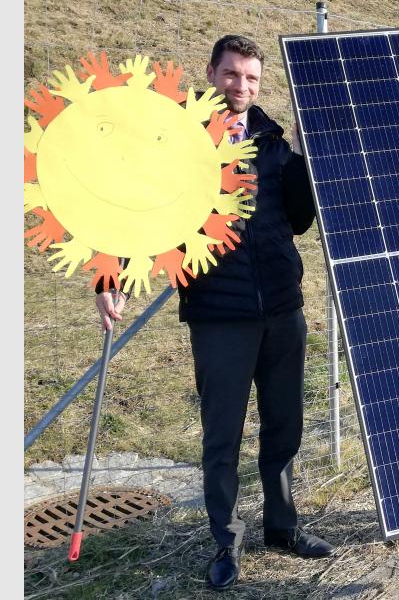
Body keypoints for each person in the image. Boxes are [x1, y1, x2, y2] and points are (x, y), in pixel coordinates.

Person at [95, 35, 334, 591]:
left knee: (285, 427)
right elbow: (141, 213)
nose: (241, 87)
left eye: (251, 78)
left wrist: (305, 163)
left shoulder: (274, 144)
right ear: (211, 73)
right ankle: (226, 544)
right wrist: (113, 277)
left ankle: (283, 527)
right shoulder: (178, 142)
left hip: (282, 308)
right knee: (221, 438)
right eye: (231, 75)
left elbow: (298, 221)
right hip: (218, 313)